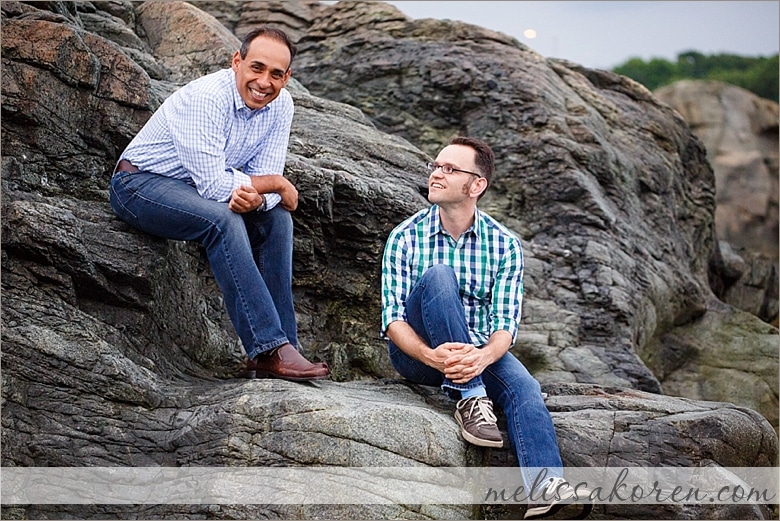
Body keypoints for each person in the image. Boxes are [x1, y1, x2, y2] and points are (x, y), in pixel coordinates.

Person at [380, 137, 592, 519]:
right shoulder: (405, 236)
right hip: (418, 354)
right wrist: (432, 355)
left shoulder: (505, 244)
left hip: (477, 351)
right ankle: (471, 400)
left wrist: (481, 358)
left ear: (476, 185)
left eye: (449, 169)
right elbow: (393, 319)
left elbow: (505, 326)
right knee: (439, 277)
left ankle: (545, 491)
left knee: (525, 387)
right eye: (436, 166)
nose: (436, 173)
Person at [109, 26, 329, 382]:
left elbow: (263, 180)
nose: (264, 81)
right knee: (222, 220)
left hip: (195, 190)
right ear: (237, 61)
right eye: (256, 67)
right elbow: (219, 185)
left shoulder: (281, 106)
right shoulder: (208, 97)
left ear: (287, 78)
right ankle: (268, 348)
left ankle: (286, 348)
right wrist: (274, 185)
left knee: (278, 220)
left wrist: (258, 195)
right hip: (139, 185)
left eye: (276, 74)